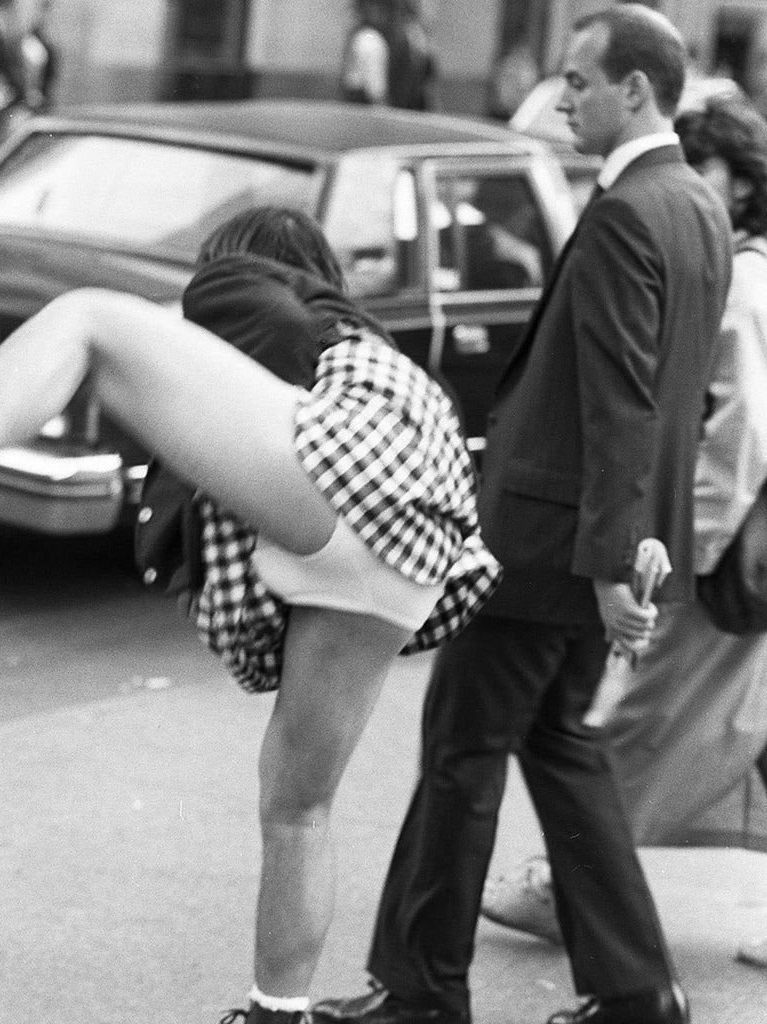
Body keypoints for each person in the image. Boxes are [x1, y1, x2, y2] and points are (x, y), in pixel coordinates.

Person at [0, 206, 501, 1024]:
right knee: (296, 804)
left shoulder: (255, 299)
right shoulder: (358, 350)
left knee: (86, 317)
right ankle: (276, 1012)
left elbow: (126, 342)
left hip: (358, 474)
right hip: (412, 548)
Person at [312, 7, 733, 1024]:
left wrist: (602, 564)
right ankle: (635, 991)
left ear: (636, 89)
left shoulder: (634, 208)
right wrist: (632, 553)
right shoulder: (698, 207)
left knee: (463, 749)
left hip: (553, 545)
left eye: (582, 80)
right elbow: (668, 402)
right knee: (560, 744)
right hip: (599, 537)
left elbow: (624, 400)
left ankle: (420, 989)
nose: (565, 96)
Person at [479, 95, 767, 973]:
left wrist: (687, 556)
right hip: (742, 547)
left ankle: (565, 887)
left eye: (705, 166)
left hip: (720, 552)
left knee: (629, 722)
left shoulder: (744, 278)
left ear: (743, 182)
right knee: (744, 736)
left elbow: (739, 431)